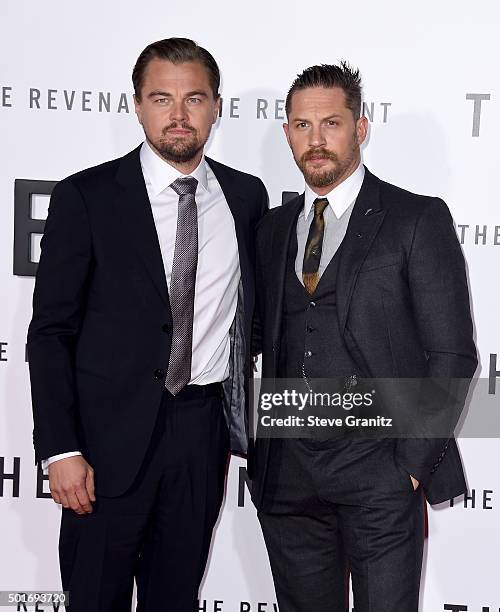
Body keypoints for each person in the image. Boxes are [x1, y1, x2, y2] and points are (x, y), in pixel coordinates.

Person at [27, 37, 268, 612]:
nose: (178, 115)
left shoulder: (245, 196)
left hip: (200, 432)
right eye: (162, 98)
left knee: (175, 598)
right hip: (102, 445)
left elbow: (253, 320)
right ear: (137, 105)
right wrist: (60, 449)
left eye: (194, 99)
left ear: (215, 106)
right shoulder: (86, 197)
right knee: (94, 597)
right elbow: (51, 333)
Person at [250, 63, 477, 611]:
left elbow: (452, 353)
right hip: (287, 475)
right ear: (287, 134)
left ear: (361, 127)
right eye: (302, 126)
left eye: (331, 123)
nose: (316, 140)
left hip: (380, 470)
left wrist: (409, 466)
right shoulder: (273, 228)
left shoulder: (415, 218)